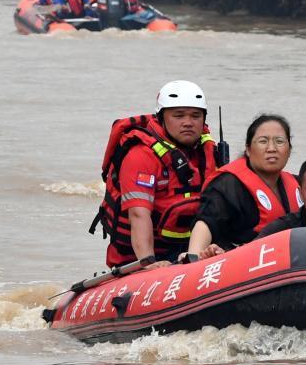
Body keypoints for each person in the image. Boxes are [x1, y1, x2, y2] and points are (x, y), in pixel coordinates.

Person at [91, 81, 218, 268]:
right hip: (142, 256)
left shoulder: (207, 152)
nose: (188, 123)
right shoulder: (140, 155)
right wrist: (149, 262)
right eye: (178, 115)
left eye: (195, 116)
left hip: (190, 248)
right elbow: (138, 214)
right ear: (161, 117)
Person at [186, 114, 302, 257]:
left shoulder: (299, 184)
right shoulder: (228, 184)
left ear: (289, 149)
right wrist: (193, 257)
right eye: (263, 141)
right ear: (248, 149)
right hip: (240, 264)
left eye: (279, 141)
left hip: (286, 263)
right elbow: (206, 223)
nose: (272, 148)